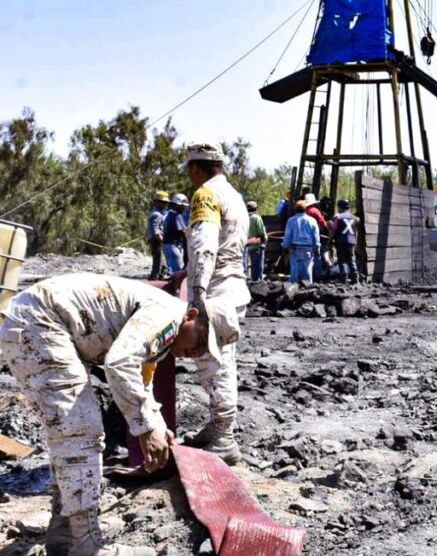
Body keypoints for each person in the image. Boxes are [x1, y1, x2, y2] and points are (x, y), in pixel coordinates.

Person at [0, 274, 238, 556]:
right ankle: (86, 544)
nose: (197, 353)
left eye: (205, 351)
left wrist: (157, 425)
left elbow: (141, 380)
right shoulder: (167, 315)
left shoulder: (164, 335)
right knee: (80, 429)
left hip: (40, 323)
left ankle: (65, 535)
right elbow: (119, 363)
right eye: (201, 340)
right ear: (192, 315)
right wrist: (145, 429)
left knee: (71, 430)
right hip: (40, 322)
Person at [181, 141, 250, 465]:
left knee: (213, 364)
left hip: (215, 291)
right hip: (233, 286)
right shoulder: (234, 196)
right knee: (222, 361)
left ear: (196, 168)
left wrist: (197, 294)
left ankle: (223, 436)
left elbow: (205, 246)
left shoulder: (205, 195)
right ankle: (218, 429)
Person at [283, 200, 321, 284]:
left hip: (294, 247)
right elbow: (315, 236)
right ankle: (308, 286)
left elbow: (288, 235)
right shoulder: (312, 220)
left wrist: (285, 246)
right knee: (307, 268)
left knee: (294, 268)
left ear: (295, 209)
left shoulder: (291, 220)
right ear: (306, 209)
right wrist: (317, 247)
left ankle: (293, 287)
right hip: (308, 248)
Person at [331, 199, 360, 284]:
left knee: (342, 260)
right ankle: (355, 278)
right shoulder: (355, 218)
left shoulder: (338, 217)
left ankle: (343, 279)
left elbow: (334, 230)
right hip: (351, 241)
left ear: (340, 207)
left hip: (341, 241)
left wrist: (330, 239)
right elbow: (356, 231)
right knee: (351, 259)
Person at [162, 194, 189, 274]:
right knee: (176, 272)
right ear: (176, 204)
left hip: (167, 246)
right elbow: (183, 232)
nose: (183, 208)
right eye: (182, 206)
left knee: (172, 270)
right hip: (173, 246)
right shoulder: (177, 216)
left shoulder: (167, 214)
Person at [146, 191, 170, 280]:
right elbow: (156, 231)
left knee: (162, 264)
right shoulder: (157, 214)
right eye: (163, 202)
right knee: (158, 264)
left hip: (157, 241)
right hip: (157, 242)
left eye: (166, 203)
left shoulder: (158, 213)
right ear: (156, 202)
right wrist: (162, 240)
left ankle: (160, 278)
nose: (165, 205)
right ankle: (153, 280)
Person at [245, 201, 267, 282]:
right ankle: (256, 283)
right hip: (257, 246)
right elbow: (261, 232)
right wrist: (264, 241)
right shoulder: (256, 218)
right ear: (256, 208)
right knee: (258, 266)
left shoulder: (244, 218)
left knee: (246, 266)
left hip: (247, 246)